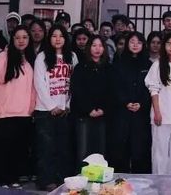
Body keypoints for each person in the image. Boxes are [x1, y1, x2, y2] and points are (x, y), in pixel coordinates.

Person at [0, 25, 36, 187]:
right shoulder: (3, 57)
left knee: (18, 148)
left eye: (25, 37)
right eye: (17, 37)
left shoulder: (30, 59)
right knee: (3, 149)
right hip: (4, 112)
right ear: (12, 39)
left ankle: (13, 179)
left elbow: (33, 87)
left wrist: (32, 106)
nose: (21, 41)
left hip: (24, 113)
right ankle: (0, 180)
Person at [33, 24, 77, 191]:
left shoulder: (72, 56)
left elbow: (74, 83)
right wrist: (51, 106)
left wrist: (67, 105)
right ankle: (46, 180)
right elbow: (39, 83)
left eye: (61, 36)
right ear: (49, 38)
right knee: (46, 147)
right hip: (45, 110)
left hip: (65, 109)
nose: (58, 39)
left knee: (63, 147)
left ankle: (61, 179)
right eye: (54, 36)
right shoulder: (42, 57)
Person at [145, 33, 171, 175]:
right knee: (160, 149)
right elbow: (154, 90)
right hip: (162, 114)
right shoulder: (157, 65)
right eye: (169, 43)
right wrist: (157, 112)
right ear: (164, 46)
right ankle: (159, 179)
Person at [111, 32, 152, 174]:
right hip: (122, 111)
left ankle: (141, 179)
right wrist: (125, 102)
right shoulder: (118, 63)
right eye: (132, 42)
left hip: (141, 112)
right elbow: (115, 87)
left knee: (140, 148)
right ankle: (120, 180)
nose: (135, 45)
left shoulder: (149, 64)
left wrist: (142, 103)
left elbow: (151, 88)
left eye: (139, 42)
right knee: (121, 147)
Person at [70, 35, 112, 163]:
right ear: (89, 48)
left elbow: (112, 92)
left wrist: (103, 109)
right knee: (83, 152)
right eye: (94, 45)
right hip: (84, 115)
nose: (97, 49)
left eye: (100, 46)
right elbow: (77, 91)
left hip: (103, 115)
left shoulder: (109, 68)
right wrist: (89, 109)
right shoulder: (80, 68)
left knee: (101, 152)